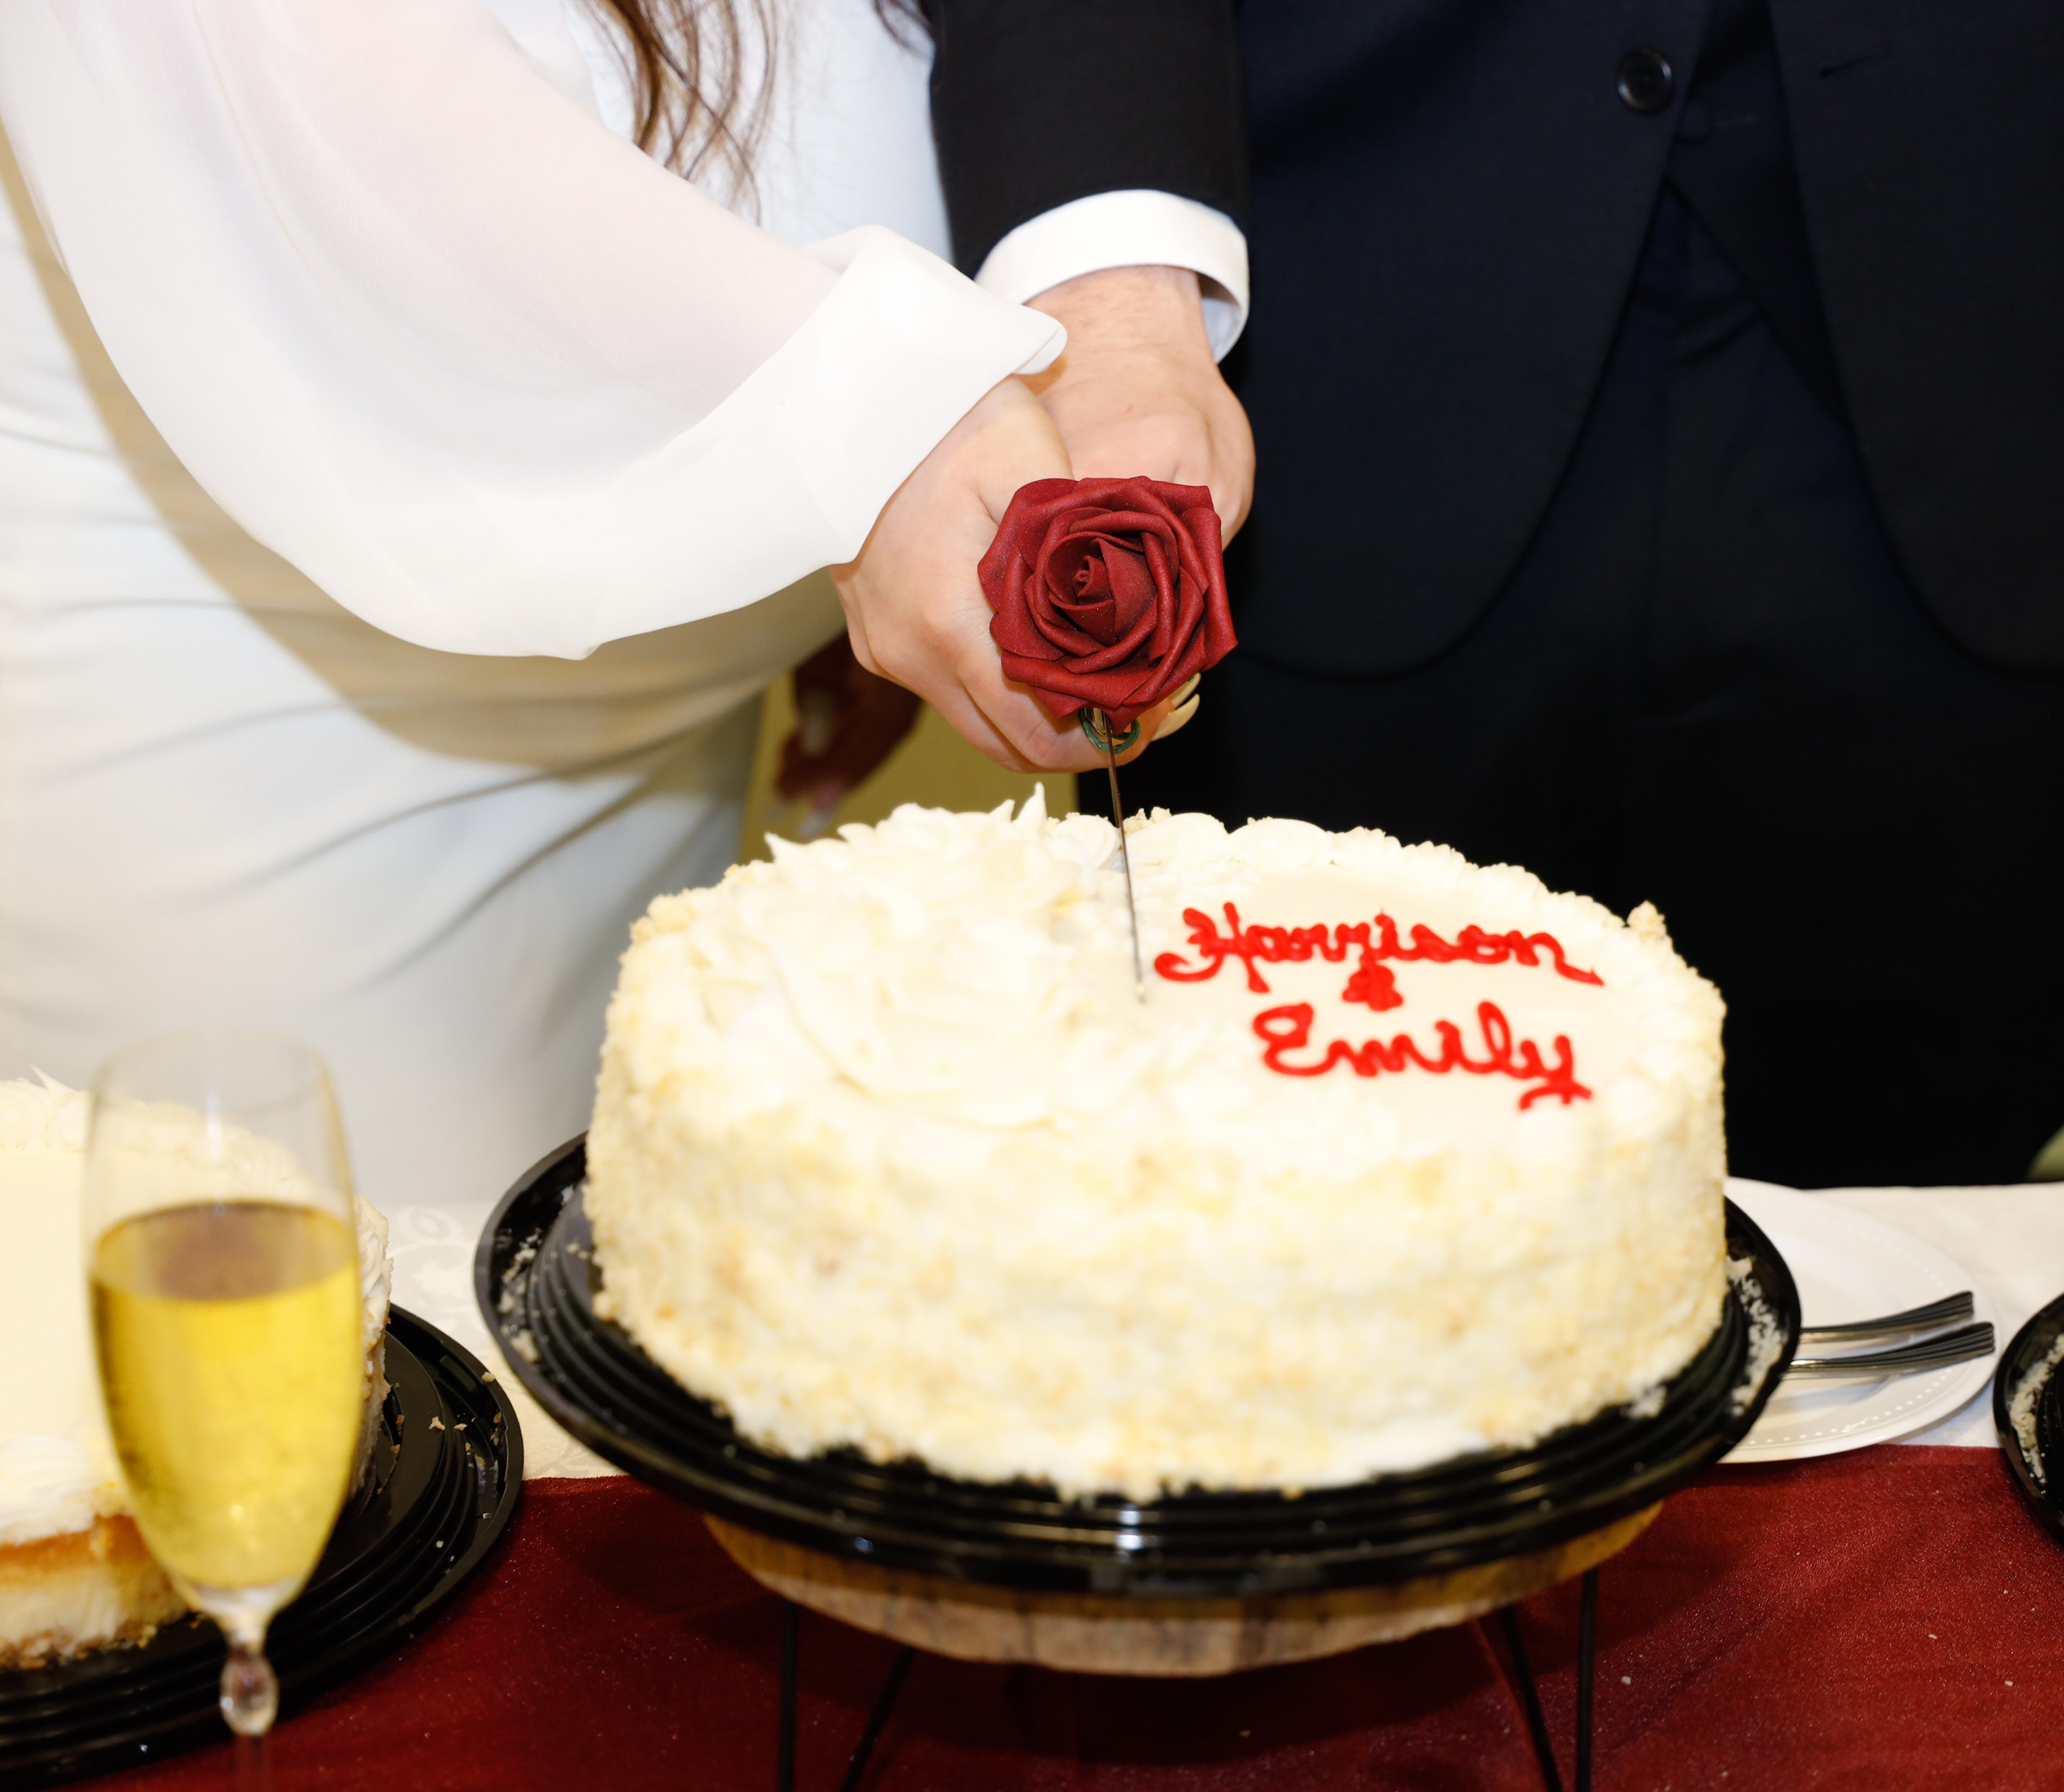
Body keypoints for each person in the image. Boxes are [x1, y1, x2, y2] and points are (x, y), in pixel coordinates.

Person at [929, 0, 2064, 1185]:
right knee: (1260, 1192)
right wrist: (1114, 301)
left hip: (2037, 337)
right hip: (1305, 319)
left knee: (1919, 1262)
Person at [0, 0, 1248, 1201]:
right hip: (273, 750)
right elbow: (349, 119)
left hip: (671, 766)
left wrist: (833, 536)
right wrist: (884, 437)